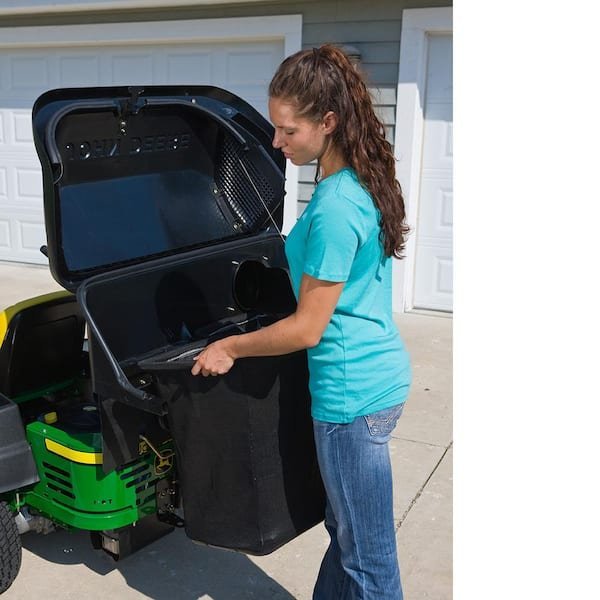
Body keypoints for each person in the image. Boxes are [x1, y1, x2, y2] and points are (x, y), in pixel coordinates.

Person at [191, 44, 412, 600]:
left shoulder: (336, 206)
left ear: (328, 122)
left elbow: (307, 328)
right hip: (377, 377)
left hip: (350, 396)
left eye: (288, 130)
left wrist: (231, 346)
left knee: (369, 563)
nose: (276, 141)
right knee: (348, 535)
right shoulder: (357, 182)